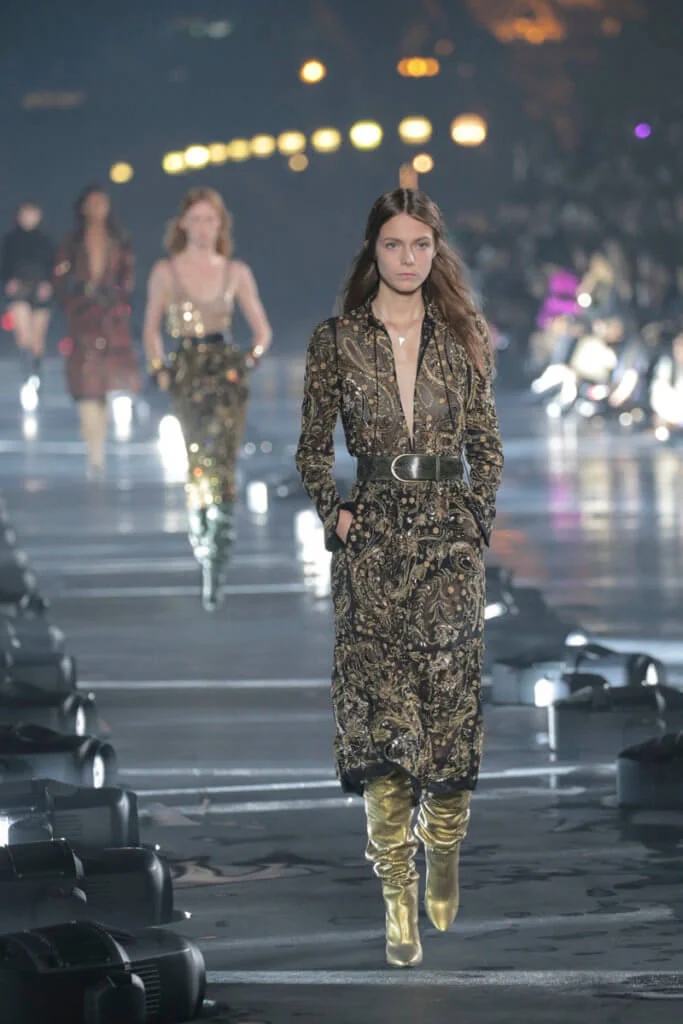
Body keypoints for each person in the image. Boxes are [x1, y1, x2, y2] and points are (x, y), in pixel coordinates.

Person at [296, 188, 503, 968]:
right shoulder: (336, 341)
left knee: (447, 720)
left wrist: (475, 520)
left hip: (448, 544)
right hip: (374, 543)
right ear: (372, 251)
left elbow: (486, 444)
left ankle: (443, 843)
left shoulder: (463, 338)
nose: (408, 258)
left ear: (435, 251)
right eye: (393, 244)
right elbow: (312, 449)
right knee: (384, 733)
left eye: (420, 244)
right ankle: (395, 893)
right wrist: (337, 516)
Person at [143, 187, 272, 612]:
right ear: (183, 224)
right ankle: (203, 534)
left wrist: (250, 359)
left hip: (226, 372)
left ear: (221, 225)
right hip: (187, 372)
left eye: (210, 220)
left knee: (224, 458)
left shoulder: (235, 271)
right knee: (198, 456)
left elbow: (262, 329)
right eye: (196, 219)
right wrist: (159, 368)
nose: (202, 227)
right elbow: (151, 327)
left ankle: (218, 553)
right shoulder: (166, 271)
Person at [53, 185, 140, 479]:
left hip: (112, 319)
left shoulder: (119, 239)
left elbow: (128, 276)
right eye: (92, 203)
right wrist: (75, 299)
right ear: (83, 207)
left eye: (102, 203)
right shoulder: (72, 241)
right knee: (87, 387)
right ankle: (95, 452)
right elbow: (60, 277)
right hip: (84, 319)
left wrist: (118, 299)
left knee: (110, 385)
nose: (97, 208)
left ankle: (102, 444)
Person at [1, 201, 54, 401]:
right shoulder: (11, 240)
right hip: (20, 291)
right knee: (24, 334)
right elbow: (5, 265)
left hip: (41, 291)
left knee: (38, 336)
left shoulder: (45, 240)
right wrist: (9, 282)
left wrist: (48, 284)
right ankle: (27, 370)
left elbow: (53, 266)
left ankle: (36, 372)